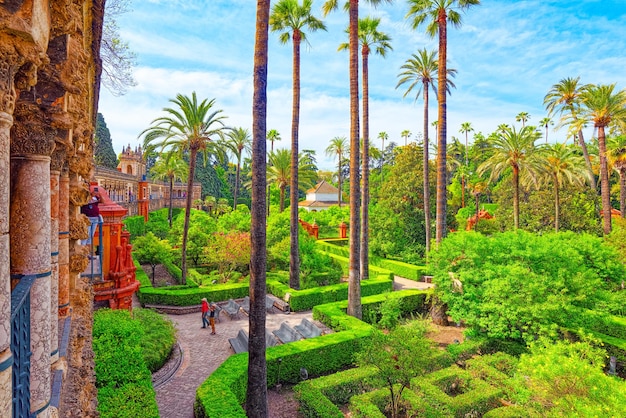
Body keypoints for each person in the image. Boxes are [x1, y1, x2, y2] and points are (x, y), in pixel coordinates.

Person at [80, 187, 103, 255]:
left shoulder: (95, 198)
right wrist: (90, 195)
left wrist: (100, 195)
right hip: (87, 219)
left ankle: (87, 253)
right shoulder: (85, 198)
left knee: (90, 236)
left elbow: (103, 201)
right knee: (86, 235)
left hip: (95, 219)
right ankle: (83, 253)